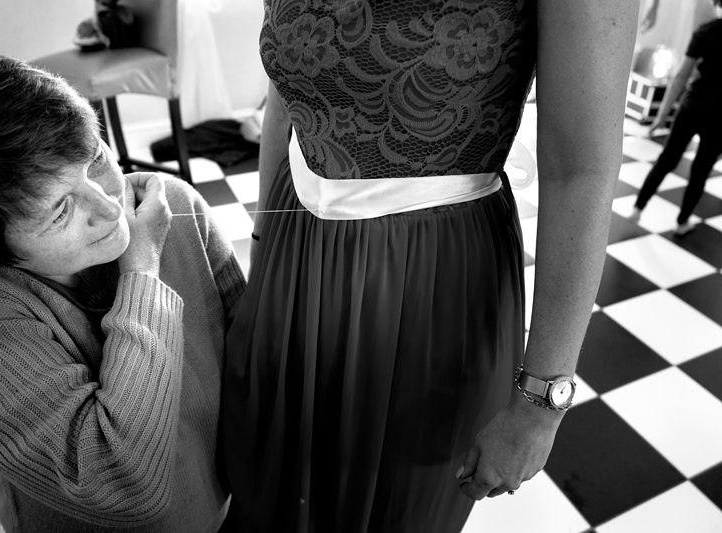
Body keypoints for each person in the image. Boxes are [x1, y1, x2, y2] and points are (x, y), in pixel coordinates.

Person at [218, 1, 637, 532]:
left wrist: (540, 404)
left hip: (426, 274)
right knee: (276, 466)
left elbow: (581, 166)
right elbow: (289, 91)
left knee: (391, 501)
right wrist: (264, 241)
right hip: (294, 241)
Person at [0, 41, 245, 533]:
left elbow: (251, 363)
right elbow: (122, 483)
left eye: (96, 159)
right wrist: (142, 271)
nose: (111, 208)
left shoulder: (172, 202)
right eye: (61, 210)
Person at [629, 0, 722, 236]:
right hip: (719, 118)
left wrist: (662, 115)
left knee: (667, 159)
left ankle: (637, 208)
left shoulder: (707, 31)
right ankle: (682, 222)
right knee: (701, 171)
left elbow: (682, 75)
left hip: (692, 106)